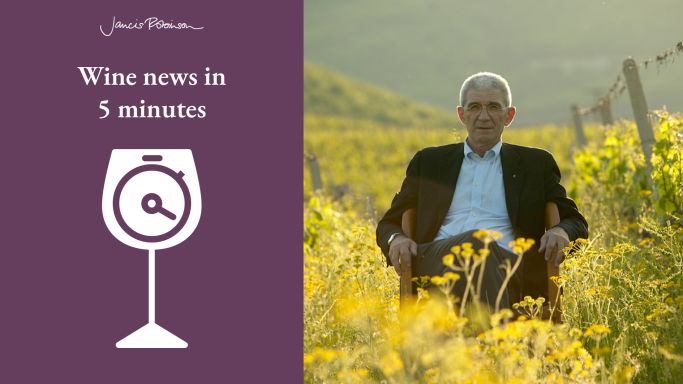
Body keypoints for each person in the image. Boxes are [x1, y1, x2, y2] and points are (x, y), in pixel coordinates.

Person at [376, 72, 588, 309]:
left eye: (494, 107)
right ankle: (495, 340)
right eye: (474, 107)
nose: (483, 116)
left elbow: (575, 222)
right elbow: (388, 224)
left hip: (510, 268)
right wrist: (397, 239)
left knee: (482, 248)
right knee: (478, 242)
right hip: (435, 263)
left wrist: (560, 231)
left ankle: (467, 335)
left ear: (509, 115)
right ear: (461, 114)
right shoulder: (430, 162)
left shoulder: (536, 164)